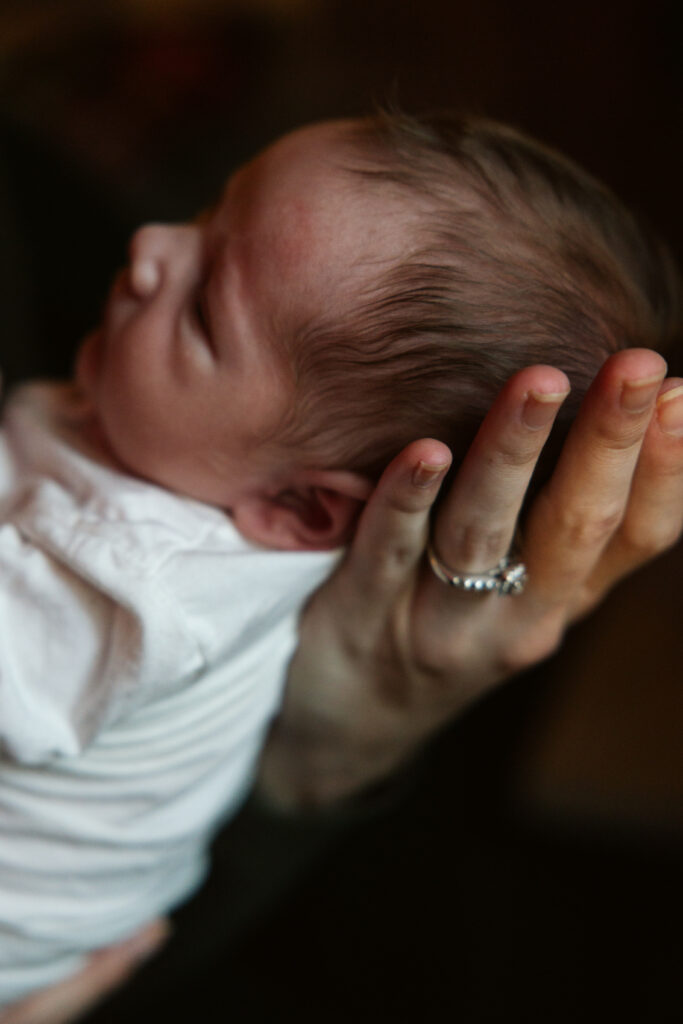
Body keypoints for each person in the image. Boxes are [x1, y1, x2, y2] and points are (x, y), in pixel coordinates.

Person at [1, 111, 681, 1013]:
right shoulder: (169, 445)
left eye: (203, 312)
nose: (149, 245)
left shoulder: (144, 580)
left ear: (298, 507)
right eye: (208, 211)